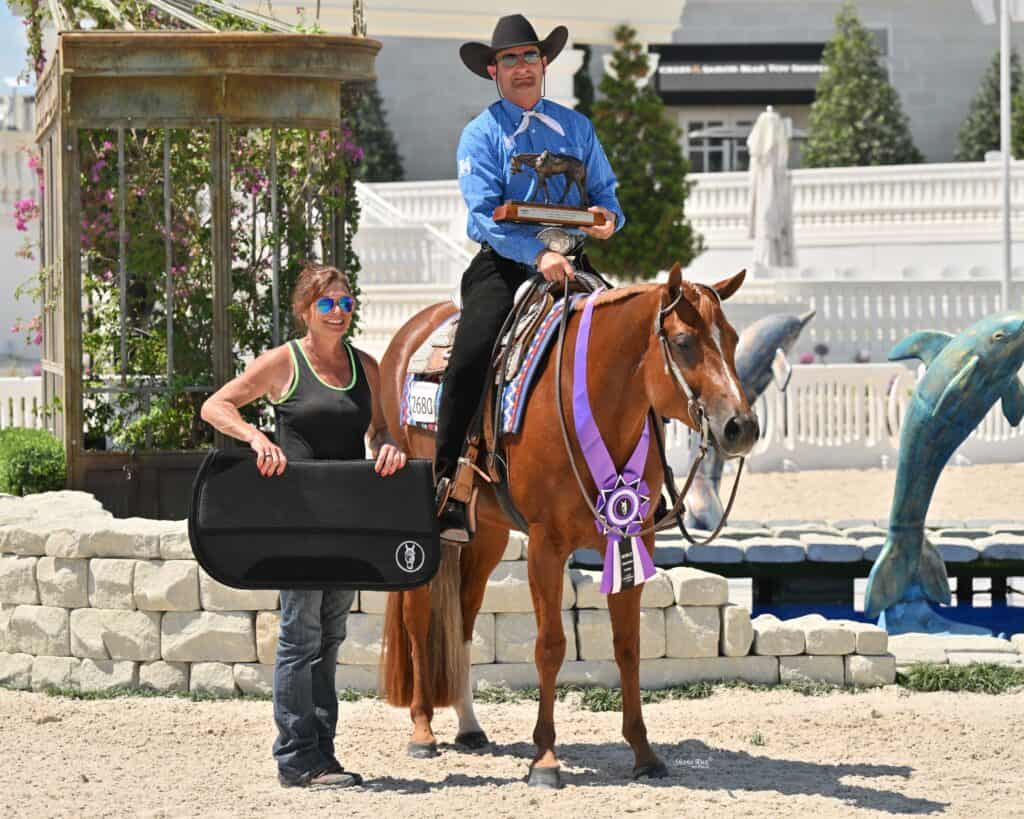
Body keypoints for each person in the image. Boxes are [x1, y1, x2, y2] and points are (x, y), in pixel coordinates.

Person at [200, 263, 407, 790]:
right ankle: (296, 757)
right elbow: (216, 405)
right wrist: (255, 438)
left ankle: (323, 754)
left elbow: (380, 433)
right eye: (327, 304)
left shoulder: (367, 366)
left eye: (345, 303)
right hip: (297, 520)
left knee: (331, 637)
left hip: (347, 521)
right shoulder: (284, 363)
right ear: (305, 310)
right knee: (300, 636)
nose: (339, 312)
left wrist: (388, 451)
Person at [434, 13, 626, 541]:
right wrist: (537, 253)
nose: (522, 68)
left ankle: (644, 477)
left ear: (544, 64)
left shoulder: (577, 128)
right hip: (505, 262)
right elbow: (481, 216)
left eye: (530, 57)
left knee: (636, 345)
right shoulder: (481, 134)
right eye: (511, 59)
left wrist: (611, 219)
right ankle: (449, 482)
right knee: (473, 351)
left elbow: (605, 194)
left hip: (575, 261)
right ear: (493, 70)